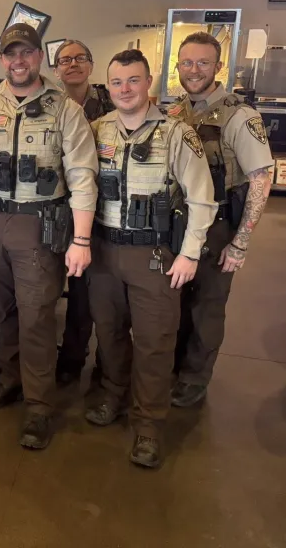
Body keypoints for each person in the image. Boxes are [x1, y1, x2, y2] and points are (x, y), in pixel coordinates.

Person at [0, 23, 99, 450]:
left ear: (38, 58)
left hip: (39, 225)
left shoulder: (65, 109)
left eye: (27, 52)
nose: (19, 61)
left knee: (36, 318)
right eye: (11, 54)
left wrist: (81, 241)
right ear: (2, 59)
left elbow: (83, 178)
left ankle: (39, 405)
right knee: (3, 310)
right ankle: (10, 380)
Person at [86, 48, 217, 469]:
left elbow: (202, 198)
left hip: (155, 255)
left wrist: (190, 254)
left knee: (155, 344)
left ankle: (148, 425)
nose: (125, 89)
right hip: (104, 251)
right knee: (108, 334)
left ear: (149, 84)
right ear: (109, 88)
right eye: (117, 82)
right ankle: (112, 395)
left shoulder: (178, 134)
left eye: (134, 80)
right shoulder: (94, 130)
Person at [168, 32, 274, 408]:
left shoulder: (239, 116)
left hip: (221, 225)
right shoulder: (176, 112)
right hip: (180, 224)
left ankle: (194, 379)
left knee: (207, 308)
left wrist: (241, 242)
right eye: (187, 63)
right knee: (175, 303)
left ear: (218, 67)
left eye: (202, 63)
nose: (193, 70)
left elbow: (262, 178)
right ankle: (172, 368)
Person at [52, 39, 116, 385]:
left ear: (91, 65)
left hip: (100, 211)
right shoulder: (49, 104)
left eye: (79, 59)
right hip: (53, 209)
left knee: (89, 293)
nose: (72, 65)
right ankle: (63, 356)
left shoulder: (110, 102)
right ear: (55, 69)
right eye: (64, 60)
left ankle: (90, 361)